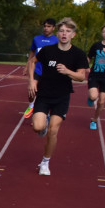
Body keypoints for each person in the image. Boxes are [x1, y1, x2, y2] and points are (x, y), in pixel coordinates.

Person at [27, 17, 89, 176]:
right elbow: (33, 62)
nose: (64, 34)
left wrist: (68, 71)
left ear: (73, 35)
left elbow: (82, 77)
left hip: (62, 97)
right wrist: (32, 81)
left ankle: (45, 163)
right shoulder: (47, 51)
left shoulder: (78, 54)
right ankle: (43, 124)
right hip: (44, 94)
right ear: (58, 32)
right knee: (38, 127)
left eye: (68, 31)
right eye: (62, 30)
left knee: (53, 131)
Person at [23, 18, 58, 118]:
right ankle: (31, 105)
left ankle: (43, 114)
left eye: (49, 26)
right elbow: (32, 52)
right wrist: (27, 65)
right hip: (36, 69)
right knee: (31, 91)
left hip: (49, 71)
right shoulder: (36, 39)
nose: (46, 28)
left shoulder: (56, 40)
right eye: (45, 26)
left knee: (45, 94)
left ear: (53, 28)